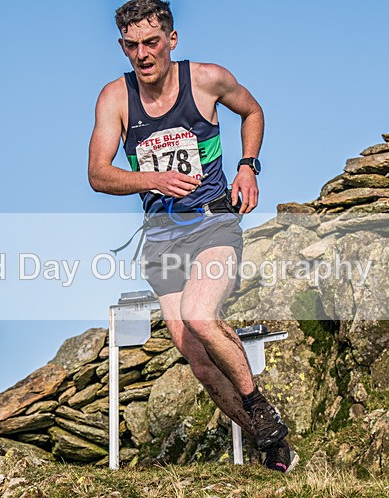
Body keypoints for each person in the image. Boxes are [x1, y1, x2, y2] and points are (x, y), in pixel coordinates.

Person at [88, 0, 297, 472]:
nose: (142, 54)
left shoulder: (205, 79)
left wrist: (248, 167)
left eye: (151, 42)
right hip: (161, 237)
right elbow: (98, 174)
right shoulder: (115, 99)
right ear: (122, 46)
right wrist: (152, 181)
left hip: (212, 222)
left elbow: (252, 110)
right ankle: (271, 442)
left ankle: (260, 407)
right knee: (200, 362)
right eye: (131, 45)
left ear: (171, 40)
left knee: (200, 315)